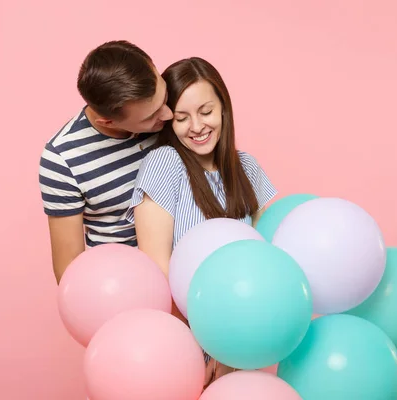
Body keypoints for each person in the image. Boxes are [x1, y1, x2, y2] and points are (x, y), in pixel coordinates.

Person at [125, 57, 278, 387]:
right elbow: (158, 273)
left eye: (206, 111)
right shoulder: (165, 164)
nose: (196, 126)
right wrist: (204, 348)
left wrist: (233, 350)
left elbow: (268, 262)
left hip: (245, 339)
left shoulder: (246, 167)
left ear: (224, 108)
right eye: (181, 118)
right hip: (183, 343)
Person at [38, 40, 173, 284]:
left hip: (187, 273)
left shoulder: (177, 113)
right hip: (124, 286)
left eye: (165, 97)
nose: (169, 114)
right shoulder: (62, 159)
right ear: (107, 122)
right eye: (151, 116)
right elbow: (69, 270)